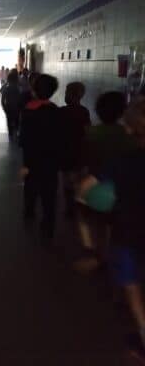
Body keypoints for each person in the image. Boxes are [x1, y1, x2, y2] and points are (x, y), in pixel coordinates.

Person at [79, 97, 145, 357]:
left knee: (130, 282)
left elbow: (86, 189)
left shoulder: (123, 160)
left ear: (130, 129)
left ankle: (142, 331)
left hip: (128, 229)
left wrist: (85, 200)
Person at [75, 91, 135, 272]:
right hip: (121, 189)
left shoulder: (91, 133)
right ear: (122, 112)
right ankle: (109, 253)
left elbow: (83, 160)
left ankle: (90, 249)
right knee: (111, 221)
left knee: (83, 215)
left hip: (95, 187)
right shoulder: (127, 134)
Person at [20, 74, 60, 241]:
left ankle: (29, 210)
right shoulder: (56, 111)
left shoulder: (28, 110)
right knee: (49, 194)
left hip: (32, 159)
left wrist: (26, 162)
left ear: (34, 91)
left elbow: (24, 139)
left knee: (30, 185)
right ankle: (48, 226)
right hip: (51, 161)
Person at [59, 82, 91, 219]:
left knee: (67, 181)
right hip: (80, 151)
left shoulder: (61, 111)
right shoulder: (84, 111)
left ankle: (69, 208)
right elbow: (87, 131)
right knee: (80, 179)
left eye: (67, 91)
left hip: (66, 151)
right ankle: (80, 206)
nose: (65, 94)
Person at [1, 69, 21, 141]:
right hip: (16, 108)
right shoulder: (18, 89)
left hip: (9, 108)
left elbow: (2, 100)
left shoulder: (6, 88)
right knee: (16, 122)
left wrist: (4, 108)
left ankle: (11, 135)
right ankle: (16, 134)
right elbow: (20, 99)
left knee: (9, 122)